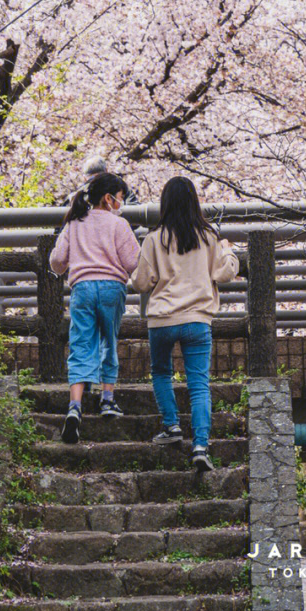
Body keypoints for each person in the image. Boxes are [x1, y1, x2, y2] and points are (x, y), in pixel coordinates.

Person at [131, 176, 239, 474]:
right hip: (197, 320)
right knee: (198, 385)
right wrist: (228, 249)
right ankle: (201, 446)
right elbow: (226, 273)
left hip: (162, 320)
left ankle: (172, 425)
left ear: (165, 204)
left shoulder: (154, 238)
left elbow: (141, 282)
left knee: (162, 373)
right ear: (194, 201)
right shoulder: (208, 236)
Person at [49, 170, 140, 444]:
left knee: (80, 344)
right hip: (112, 288)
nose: (121, 205)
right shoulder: (119, 224)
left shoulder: (74, 223)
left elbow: (56, 261)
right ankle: (107, 399)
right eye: (120, 198)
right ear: (109, 198)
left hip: (83, 288)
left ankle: (75, 407)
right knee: (108, 342)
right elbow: (133, 262)